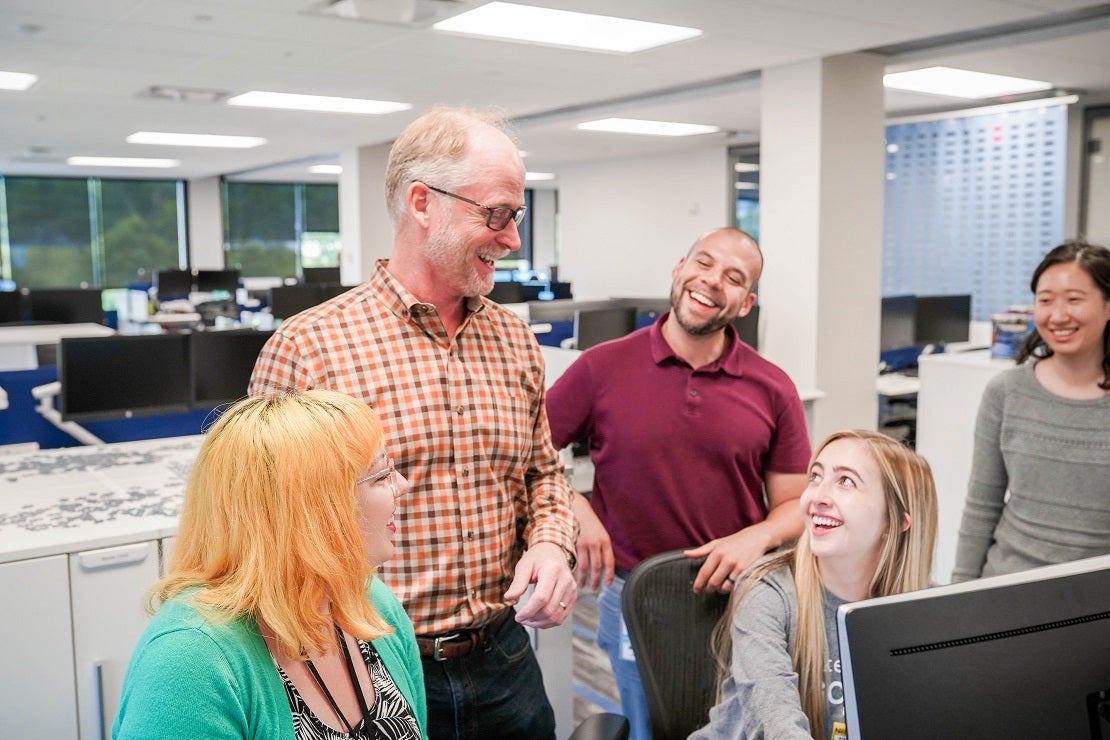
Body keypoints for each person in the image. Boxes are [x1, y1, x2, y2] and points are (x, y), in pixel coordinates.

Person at [249, 105, 578, 739]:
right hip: (373, 670)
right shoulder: (309, 349)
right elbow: (265, 534)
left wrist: (549, 543)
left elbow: (543, 475)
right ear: (422, 203)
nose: (512, 239)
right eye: (497, 214)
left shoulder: (514, 340)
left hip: (506, 660)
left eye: (517, 216)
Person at [546, 227, 811, 739]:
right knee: (650, 726)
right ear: (679, 268)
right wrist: (575, 506)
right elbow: (525, 452)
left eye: (734, 278)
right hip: (633, 594)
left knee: (738, 725)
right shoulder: (602, 366)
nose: (712, 282)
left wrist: (756, 535)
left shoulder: (773, 387)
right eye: (703, 263)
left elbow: (795, 504)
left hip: (738, 596)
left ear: (746, 302)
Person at [113, 390, 426, 739]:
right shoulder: (188, 661)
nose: (403, 485)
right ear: (313, 510)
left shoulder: (372, 605)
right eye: (381, 476)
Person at [689, 429, 938, 740]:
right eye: (816, 477)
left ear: (897, 521)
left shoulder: (927, 608)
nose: (817, 496)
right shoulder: (767, 591)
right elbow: (776, 728)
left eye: (846, 481)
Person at [952, 239, 1110, 582]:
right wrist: (959, 593)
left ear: (1107, 306)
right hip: (1010, 588)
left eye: (1074, 299)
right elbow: (982, 505)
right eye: (1045, 300)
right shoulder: (1006, 392)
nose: (1057, 315)